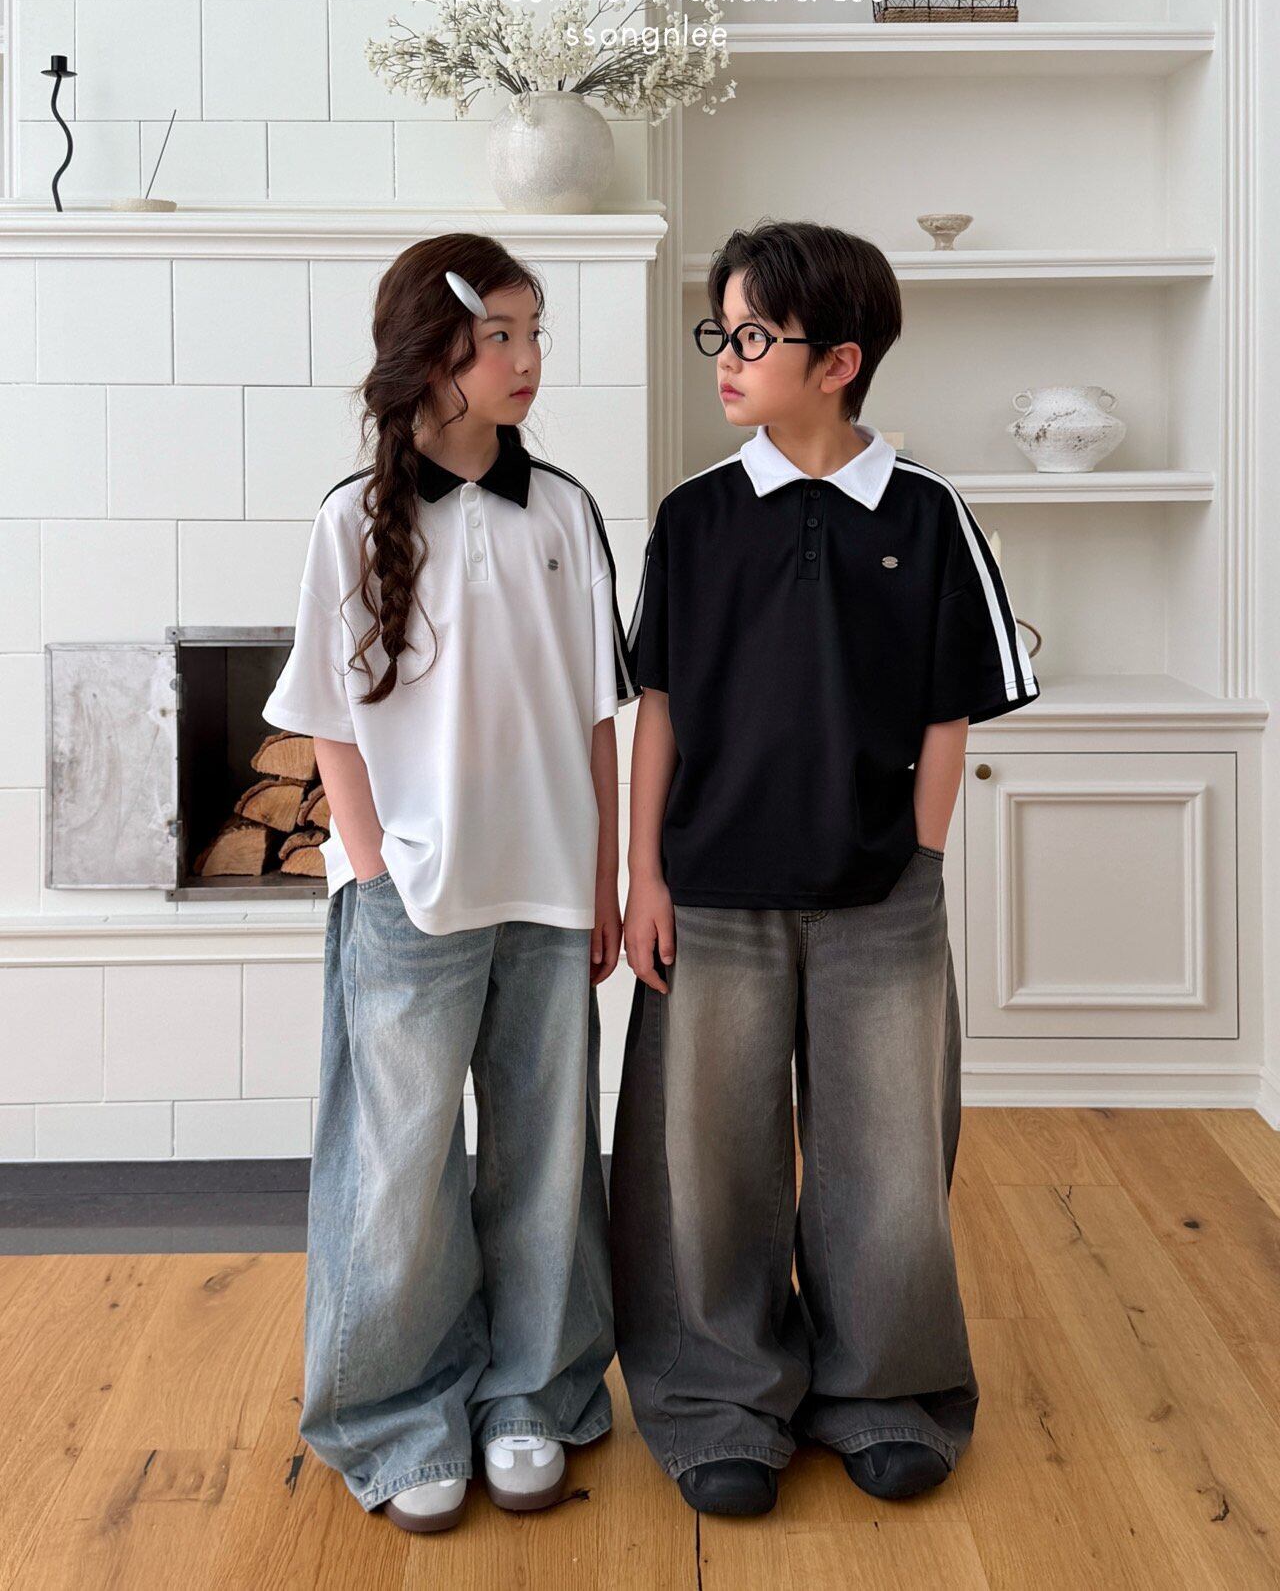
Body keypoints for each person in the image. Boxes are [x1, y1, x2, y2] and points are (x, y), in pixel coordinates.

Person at [611, 218, 1040, 1518]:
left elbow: (953, 711)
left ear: (839, 361)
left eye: (754, 336)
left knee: (889, 1161)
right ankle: (718, 1400)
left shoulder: (928, 514)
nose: (726, 358)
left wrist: (919, 859)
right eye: (722, 331)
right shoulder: (693, 518)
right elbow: (659, 708)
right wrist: (644, 877)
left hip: (879, 901)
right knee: (706, 1164)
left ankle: (885, 1395)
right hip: (712, 894)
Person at [262, 232, 635, 1532]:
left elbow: (598, 714)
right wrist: (372, 869)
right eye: (502, 338)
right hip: (407, 897)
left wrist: (603, 876)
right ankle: (398, 1414)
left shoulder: (565, 512)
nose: (530, 362)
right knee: (399, 1169)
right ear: (434, 355)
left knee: (544, 1153)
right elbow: (327, 721)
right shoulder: (351, 521)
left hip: (548, 892)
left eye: (537, 335)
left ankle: (533, 1393)